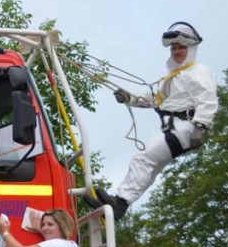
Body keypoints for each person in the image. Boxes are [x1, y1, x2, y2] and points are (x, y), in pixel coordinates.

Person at [92, 22, 217, 220]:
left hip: (185, 128)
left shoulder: (198, 72)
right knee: (151, 165)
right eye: (174, 48)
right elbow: (154, 98)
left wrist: (200, 127)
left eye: (181, 47)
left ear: (191, 48)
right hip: (171, 128)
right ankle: (121, 204)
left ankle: (120, 203)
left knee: (144, 158)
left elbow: (208, 100)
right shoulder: (174, 77)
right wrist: (130, 98)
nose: (177, 52)